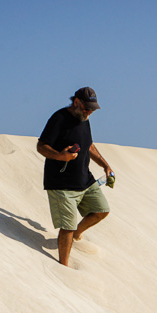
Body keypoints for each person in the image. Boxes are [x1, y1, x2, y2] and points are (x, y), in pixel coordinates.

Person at [37, 87, 114, 266]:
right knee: (67, 228)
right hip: (62, 184)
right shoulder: (59, 119)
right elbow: (41, 146)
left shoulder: (84, 119)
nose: (90, 112)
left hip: (84, 180)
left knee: (102, 210)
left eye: (93, 109)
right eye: (87, 108)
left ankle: (78, 234)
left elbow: (89, 146)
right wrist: (60, 156)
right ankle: (63, 267)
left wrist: (105, 165)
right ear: (77, 102)